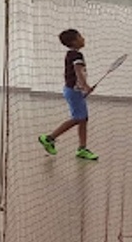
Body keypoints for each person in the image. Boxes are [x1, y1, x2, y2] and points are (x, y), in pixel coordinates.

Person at [38, 29, 98, 160]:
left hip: (73, 90)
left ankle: (82, 148)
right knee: (78, 118)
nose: (83, 38)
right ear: (74, 41)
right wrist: (85, 86)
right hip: (73, 91)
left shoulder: (71, 54)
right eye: (80, 36)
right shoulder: (77, 56)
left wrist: (83, 88)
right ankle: (49, 138)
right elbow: (78, 71)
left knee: (83, 119)